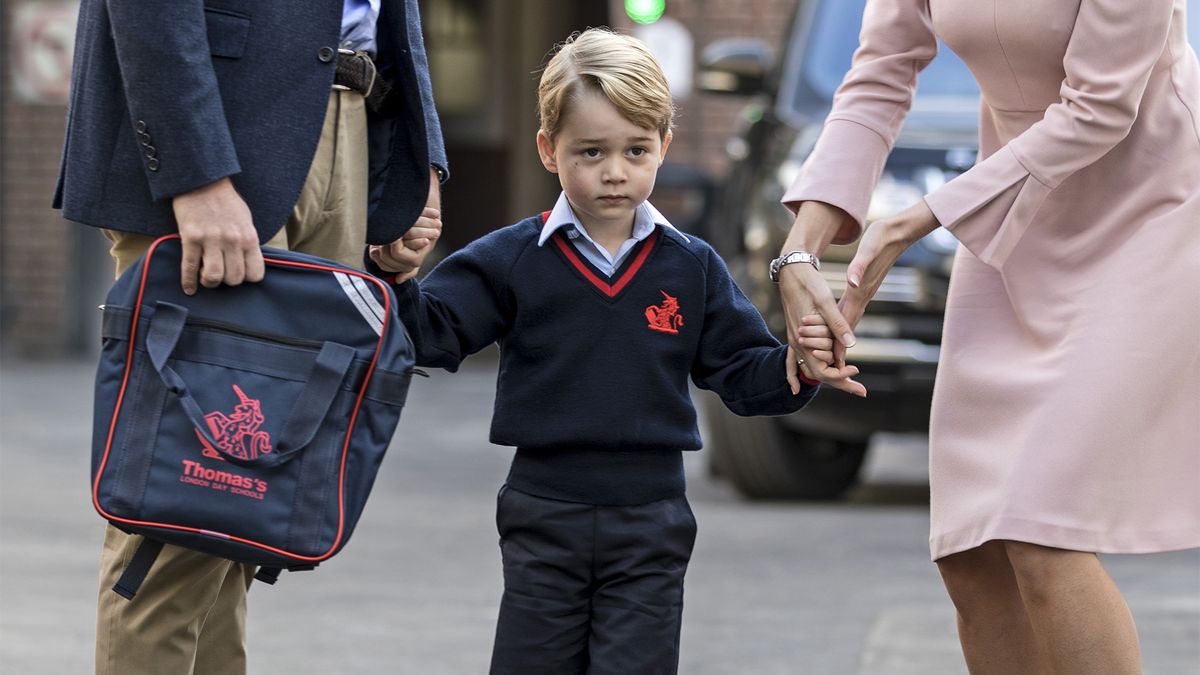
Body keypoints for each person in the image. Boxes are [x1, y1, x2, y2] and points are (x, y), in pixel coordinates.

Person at [369, 27, 829, 675]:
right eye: (590, 151)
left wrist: (798, 363)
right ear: (548, 151)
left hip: (651, 522)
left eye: (635, 150)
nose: (614, 170)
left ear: (664, 146)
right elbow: (433, 331)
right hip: (541, 512)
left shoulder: (691, 268)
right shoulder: (512, 258)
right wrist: (399, 273)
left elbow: (743, 374)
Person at [777, 0, 1199, 672]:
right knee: (971, 551)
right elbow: (880, 75)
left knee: (1040, 528)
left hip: (1146, 210)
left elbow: (1100, 107)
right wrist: (800, 249)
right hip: (1012, 213)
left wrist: (919, 217)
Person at [53, 1, 446, 673]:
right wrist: (194, 168)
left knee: (242, 514)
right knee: (175, 516)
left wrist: (416, 163)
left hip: (348, 113)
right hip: (222, 125)